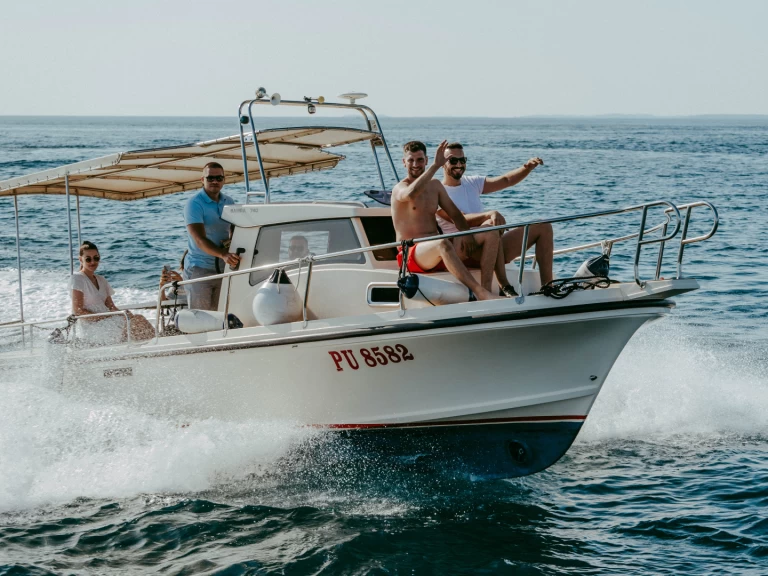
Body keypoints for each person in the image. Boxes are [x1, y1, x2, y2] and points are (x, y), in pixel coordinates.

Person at [436, 142, 554, 295]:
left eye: (462, 160)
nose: (458, 164)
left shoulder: (472, 182)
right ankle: (499, 286)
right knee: (490, 225)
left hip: (491, 244)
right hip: (464, 249)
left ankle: (548, 288)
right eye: (453, 161)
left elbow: (506, 180)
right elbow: (460, 219)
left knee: (543, 226)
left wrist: (527, 168)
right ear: (442, 164)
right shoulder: (438, 190)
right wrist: (490, 214)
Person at [391, 140, 499, 301]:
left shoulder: (435, 186)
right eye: (411, 160)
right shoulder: (400, 188)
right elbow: (410, 195)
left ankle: (488, 289)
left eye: (420, 159)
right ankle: (480, 292)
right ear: (403, 162)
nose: (415, 164)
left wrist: (467, 235)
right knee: (442, 243)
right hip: (413, 254)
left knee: (489, 232)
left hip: (438, 252)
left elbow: (456, 215)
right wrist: (435, 166)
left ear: (425, 160)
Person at [70, 241, 154, 343]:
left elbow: (111, 307)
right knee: (137, 324)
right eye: (88, 259)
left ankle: (152, 345)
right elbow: (78, 311)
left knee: (138, 318)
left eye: (96, 258)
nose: (93, 262)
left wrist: (124, 314)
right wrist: (105, 316)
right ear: (81, 260)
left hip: (108, 321)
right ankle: (153, 344)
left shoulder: (101, 280)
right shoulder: (77, 279)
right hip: (92, 327)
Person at [183, 162, 241, 310]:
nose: (215, 181)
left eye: (219, 178)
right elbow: (199, 240)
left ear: (224, 180)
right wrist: (223, 254)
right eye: (210, 178)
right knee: (201, 318)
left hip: (223, 267)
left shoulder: (229, 202)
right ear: (202, 180)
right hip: (199, 268)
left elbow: (235, 231)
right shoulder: (194, 204)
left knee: (220, 317)